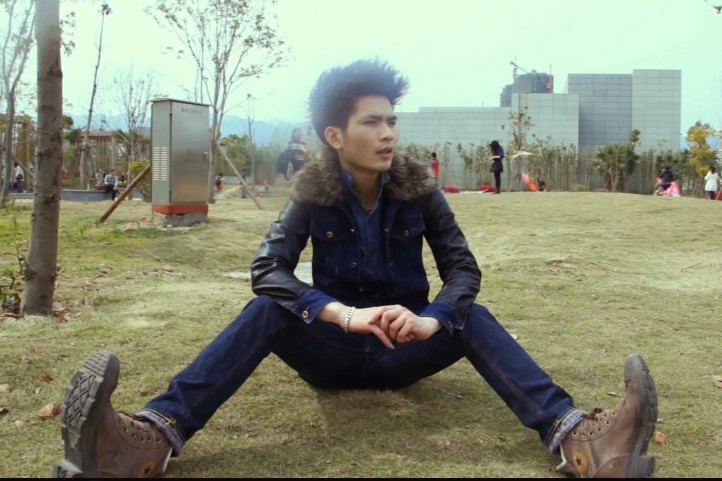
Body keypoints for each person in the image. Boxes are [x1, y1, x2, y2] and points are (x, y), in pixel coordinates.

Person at [52, 59, 658, 479]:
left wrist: (432, 320)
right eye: (372, 122)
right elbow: (268, 270)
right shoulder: (311, 192)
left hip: (405, 351)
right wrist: (339, 314)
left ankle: (581, 438)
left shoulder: (421, 190)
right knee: (265, 310)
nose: (388, 133)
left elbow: (463, 271)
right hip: (332, 353)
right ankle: (147, 440)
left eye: (392, 120)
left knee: (473, 316)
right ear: (335, 135)